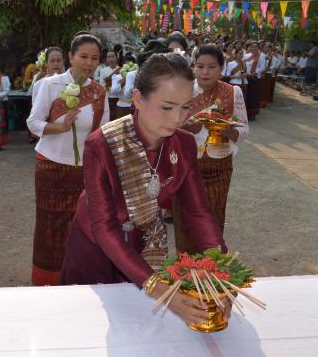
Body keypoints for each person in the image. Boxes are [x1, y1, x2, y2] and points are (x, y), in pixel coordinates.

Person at [60, 53, 231, 327]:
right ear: (138, 99)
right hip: (94, 249)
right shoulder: (102, 145)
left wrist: (221, 270)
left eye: (186, 107)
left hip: (144, 245)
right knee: (90, 328)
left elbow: (198, 212)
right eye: (167, 107)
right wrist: (161, 289)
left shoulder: (183, 145)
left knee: (141, 331)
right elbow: (105, 227)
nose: (177, 118)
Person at [27, 33, 110, 286]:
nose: (89, 63)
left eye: (94, 58)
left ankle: (76, 278)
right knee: (50, 226)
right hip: (51, 165)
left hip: (84, 170)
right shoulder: (50, 85)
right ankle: (47, 281)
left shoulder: (99, 92)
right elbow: (33, 123)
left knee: (81, 226)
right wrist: (61, 127)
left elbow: (102, 133)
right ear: (71, 57)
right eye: (83, 56)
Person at [177, 45, 249, 254]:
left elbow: (244, 128)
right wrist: (185, 127)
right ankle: (185, 268)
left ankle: (212, 268)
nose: (205, 72)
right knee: (184, 220)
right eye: (200, 66)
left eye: (211, 67)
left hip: (219, 166)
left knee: (214, 219)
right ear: (193, 68)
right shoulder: (183, 90)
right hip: (185, 166)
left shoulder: (232, 92)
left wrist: (230, 132)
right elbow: (168, 125)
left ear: (221, 69)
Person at [245, 42, 266, 120]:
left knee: (253, 96)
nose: (254, 48)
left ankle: (252, 114)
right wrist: (245, 73)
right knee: (247, 96)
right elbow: (242, 65)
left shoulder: (262, 56)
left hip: (255, 78)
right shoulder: (247, 55)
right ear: (250, 47)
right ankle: (245, 113)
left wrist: (255, 73)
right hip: (246, 77)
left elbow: (263, 67)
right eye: (252, 46)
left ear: (258, 47)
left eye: (256, 47)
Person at [111, 54, 136, 119]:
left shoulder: (135, 76)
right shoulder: (117, 77)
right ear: (123, 65)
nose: (128, 67)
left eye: (130, 65)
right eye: (126, 65)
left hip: (134, 106)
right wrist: (123, 82)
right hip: (121, 105)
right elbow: (113, 92)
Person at [99, 50, 120, 121]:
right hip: (108, 99)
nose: (111, 59)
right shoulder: (103, 71)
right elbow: (101, 86)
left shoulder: (121, 69)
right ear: (106, 60)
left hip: (119, 99)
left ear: (116, 58)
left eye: (113, 57)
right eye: (109, 57)